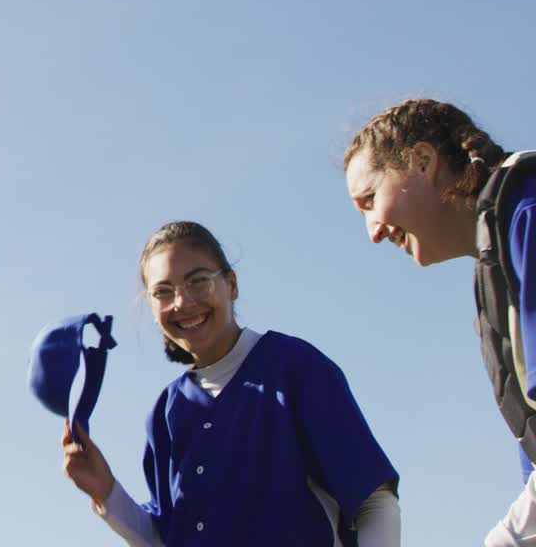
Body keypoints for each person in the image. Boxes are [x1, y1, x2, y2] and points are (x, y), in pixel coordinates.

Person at [61, 221, 400, 546]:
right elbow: (170, 539)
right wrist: (105, 491)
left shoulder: (294, 367)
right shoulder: (166, 413)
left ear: (232, 284)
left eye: (198, 281)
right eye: (163, 292)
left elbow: (373, 503)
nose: (182, 302)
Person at [343, 98, 535, 545]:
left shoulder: (527, 214)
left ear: (424, 161)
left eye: (370, 199)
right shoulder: (498, 259)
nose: (372, 230)